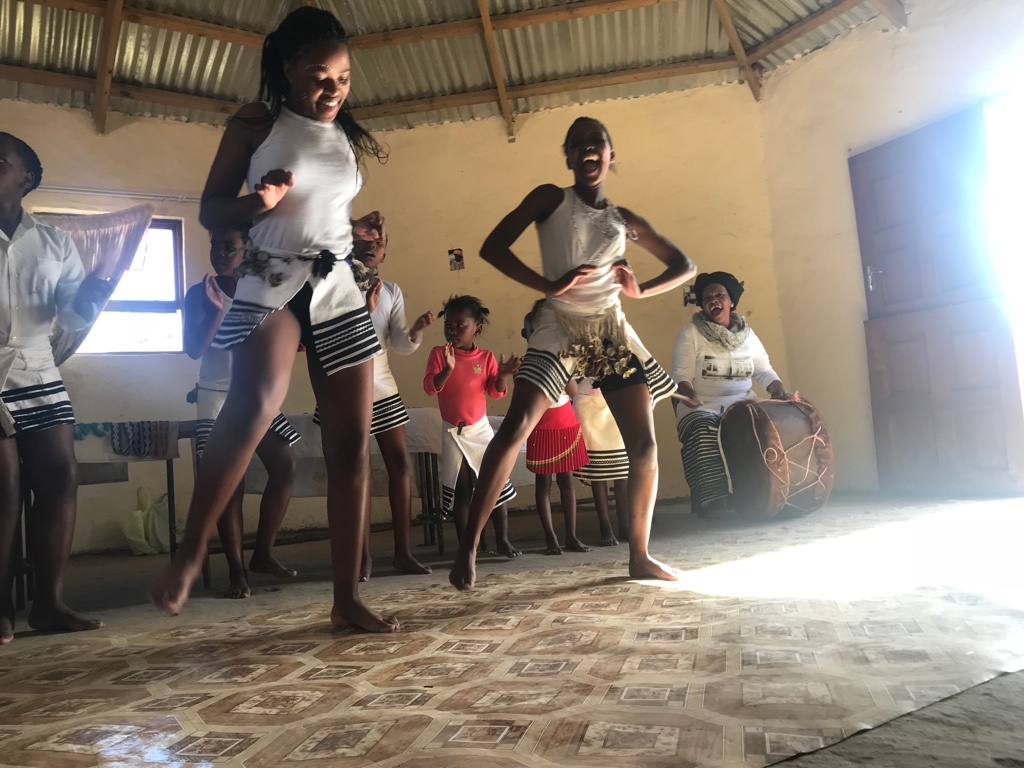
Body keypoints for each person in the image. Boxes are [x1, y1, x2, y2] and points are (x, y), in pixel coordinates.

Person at [149, 7, 399, 632]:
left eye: (343, 77)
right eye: (319, 76)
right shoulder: (256, 122)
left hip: (335, 283)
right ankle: (191, 552)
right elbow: (211, 211)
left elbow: (321, 209)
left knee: (350, 443)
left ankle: (346, 598)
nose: (333, 89)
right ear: (288, 69)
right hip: (269, 278)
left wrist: (355, 228)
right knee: (255, 402)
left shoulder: (343, 132)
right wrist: (258, 202)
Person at [449, 116, 696, 591]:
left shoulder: (623, 220)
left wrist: (641, 290)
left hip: (608, 330)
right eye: (577, 143)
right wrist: (549, 285)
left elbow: (684, 264)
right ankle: (470, 546)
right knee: (516, 427)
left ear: (610, 154)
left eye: (596, 141)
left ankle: (640, 555)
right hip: (558, 325)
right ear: (568, 156)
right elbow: (493, 247)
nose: (587, 148)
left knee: (644, 445)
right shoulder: (550, 198)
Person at [0, 132, 112, 644]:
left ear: (27, 177)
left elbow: (69, 315)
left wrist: (94, 294)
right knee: (4, 487)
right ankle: (1, 607)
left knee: (61, 477)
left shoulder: (52, 241)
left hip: (39, 368)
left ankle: (49, 603)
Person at [184, 224, 300, 599]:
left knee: (285, 463)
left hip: (253, 391)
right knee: (228, 481)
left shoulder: (262, 290)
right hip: (216, 396)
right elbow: (194, 349)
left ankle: (262, 553)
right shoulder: (200, 293)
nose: (220, 253)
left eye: (229, 247)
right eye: (216, 246)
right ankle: (237, 571)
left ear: (247, 250)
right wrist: (215, 313)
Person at [349, 233, 434, 579]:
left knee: (400, 464)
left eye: (378, 243)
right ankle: (361, 556)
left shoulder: (392, 290)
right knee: (358, 471)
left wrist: (414, 332)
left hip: (382, 383)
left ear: (384, 253)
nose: (371, 246)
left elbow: (398, 343)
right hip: (346, 385)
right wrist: (363, 309)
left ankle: (403, 552)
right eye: (364, 240)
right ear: (349, 245)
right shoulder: (337, 285)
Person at [673, 271, 788, 513]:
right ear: (702, 305)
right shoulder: (690, 333)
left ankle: (761, 493)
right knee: (703, 428)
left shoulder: (748, 335)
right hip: (702, 405)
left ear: (731, 301)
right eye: (708, 297)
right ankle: (713, 500)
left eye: (720, 295)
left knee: (769, 427)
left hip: (742, 404)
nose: (714, 300)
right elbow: (681, 376)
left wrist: (777, 388)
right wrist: (688, 392)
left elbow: (763, 370)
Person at [423, 294, 522, 559]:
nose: (452, 331)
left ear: (476, 329)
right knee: (462, 491)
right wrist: (447, 369)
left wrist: (502, 376)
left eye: (460, 326)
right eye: (448, 326)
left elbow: (495, 393)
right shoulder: (439, 354)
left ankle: (502, 540)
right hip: (452, 432)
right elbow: (430, 388)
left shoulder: (486, 357)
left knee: (494, 486)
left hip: (479, 431)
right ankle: (468, 546)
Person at [522, 301, 590, 555]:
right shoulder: (527, 362)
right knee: (543, 483)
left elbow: (573, 392)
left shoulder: (564, 358)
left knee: (566, 481)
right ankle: (550, 538)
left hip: (565, 423)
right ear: (527, 335)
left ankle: (571, 536)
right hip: (541, 426)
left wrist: (565, 368)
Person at [572, 377, 630, 545]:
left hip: (615, 399)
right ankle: (605, 526)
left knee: (622, 470)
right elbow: (570, 377)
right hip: (586, 404)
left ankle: (624, 522)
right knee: (598, 473)